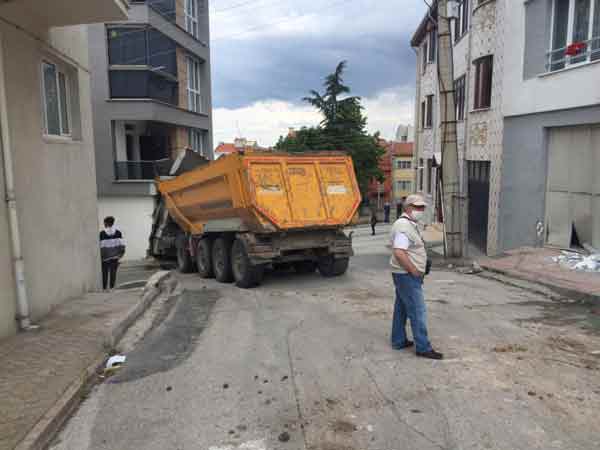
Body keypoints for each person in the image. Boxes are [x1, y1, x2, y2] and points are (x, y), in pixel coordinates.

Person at [389, 194, 443, 360]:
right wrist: (414, 270)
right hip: (407, 275)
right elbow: (399, 252)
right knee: (418, 310)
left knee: (402, 308)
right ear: (407, 208)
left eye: (422, 208)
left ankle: (398, 340)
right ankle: (423, 347)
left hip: (404, 274)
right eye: (416, 207)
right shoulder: (403, 226)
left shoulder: (410, 224)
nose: (420, 210)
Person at [99, 216, 126, 291]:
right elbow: (122, 245)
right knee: (113, 272)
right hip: (115, 256)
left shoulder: (102, 233)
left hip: (105, 257)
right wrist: (121, 255)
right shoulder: (118, 233)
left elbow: (101, 246)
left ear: (106, 223)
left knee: (104, 273)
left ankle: (104, 288)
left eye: (104, 223)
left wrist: (101, 256)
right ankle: (111, 288)